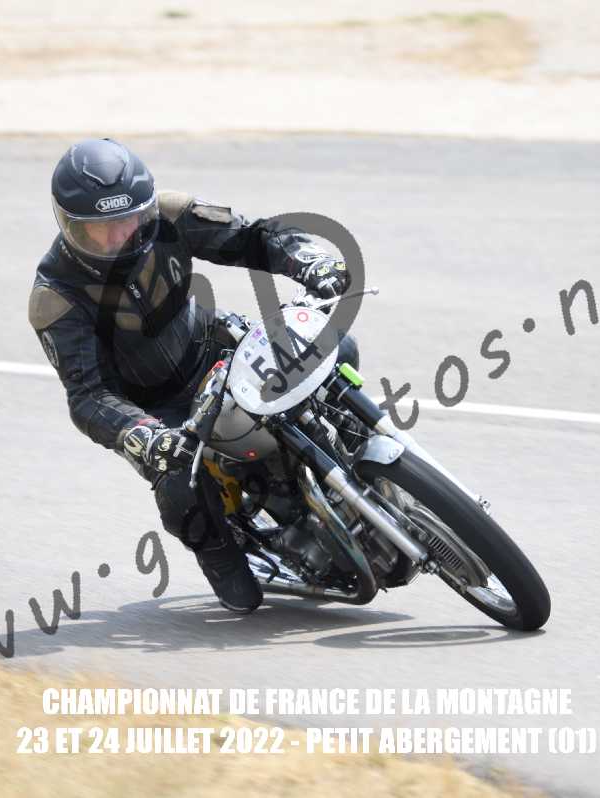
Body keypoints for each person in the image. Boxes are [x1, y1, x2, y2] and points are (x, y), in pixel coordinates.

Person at [28, 138, 357, 614]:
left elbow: (255, 237)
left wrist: (308, 259)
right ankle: (223, 559)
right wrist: (145, 437)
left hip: (214, 348)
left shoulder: (172, 214)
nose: (118, 239)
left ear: (146, 209)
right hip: (158, 411)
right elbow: (88, 396)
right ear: (68, 226)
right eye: (98, 231)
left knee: (337, 348)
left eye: (128, 222)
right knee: (181, 496)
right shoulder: (55, 296)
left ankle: (363, 457)